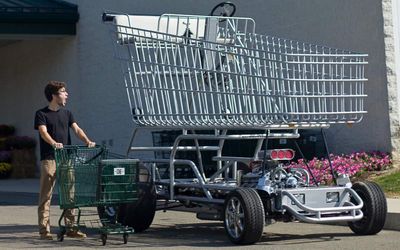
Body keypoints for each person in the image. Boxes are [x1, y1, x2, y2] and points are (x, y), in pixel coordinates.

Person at [34, 81, 96, 240]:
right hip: (50, 159)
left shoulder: (67, 113)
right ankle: (44, 231)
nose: (66, 94)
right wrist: (53, 143)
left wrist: (87, 141)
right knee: (46, 196)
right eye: (63, 92)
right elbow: (43, 132)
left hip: (66, 159)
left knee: (70, 194)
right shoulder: (41, 114)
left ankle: (71, 228)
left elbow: (76, 129)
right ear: (54, 96)